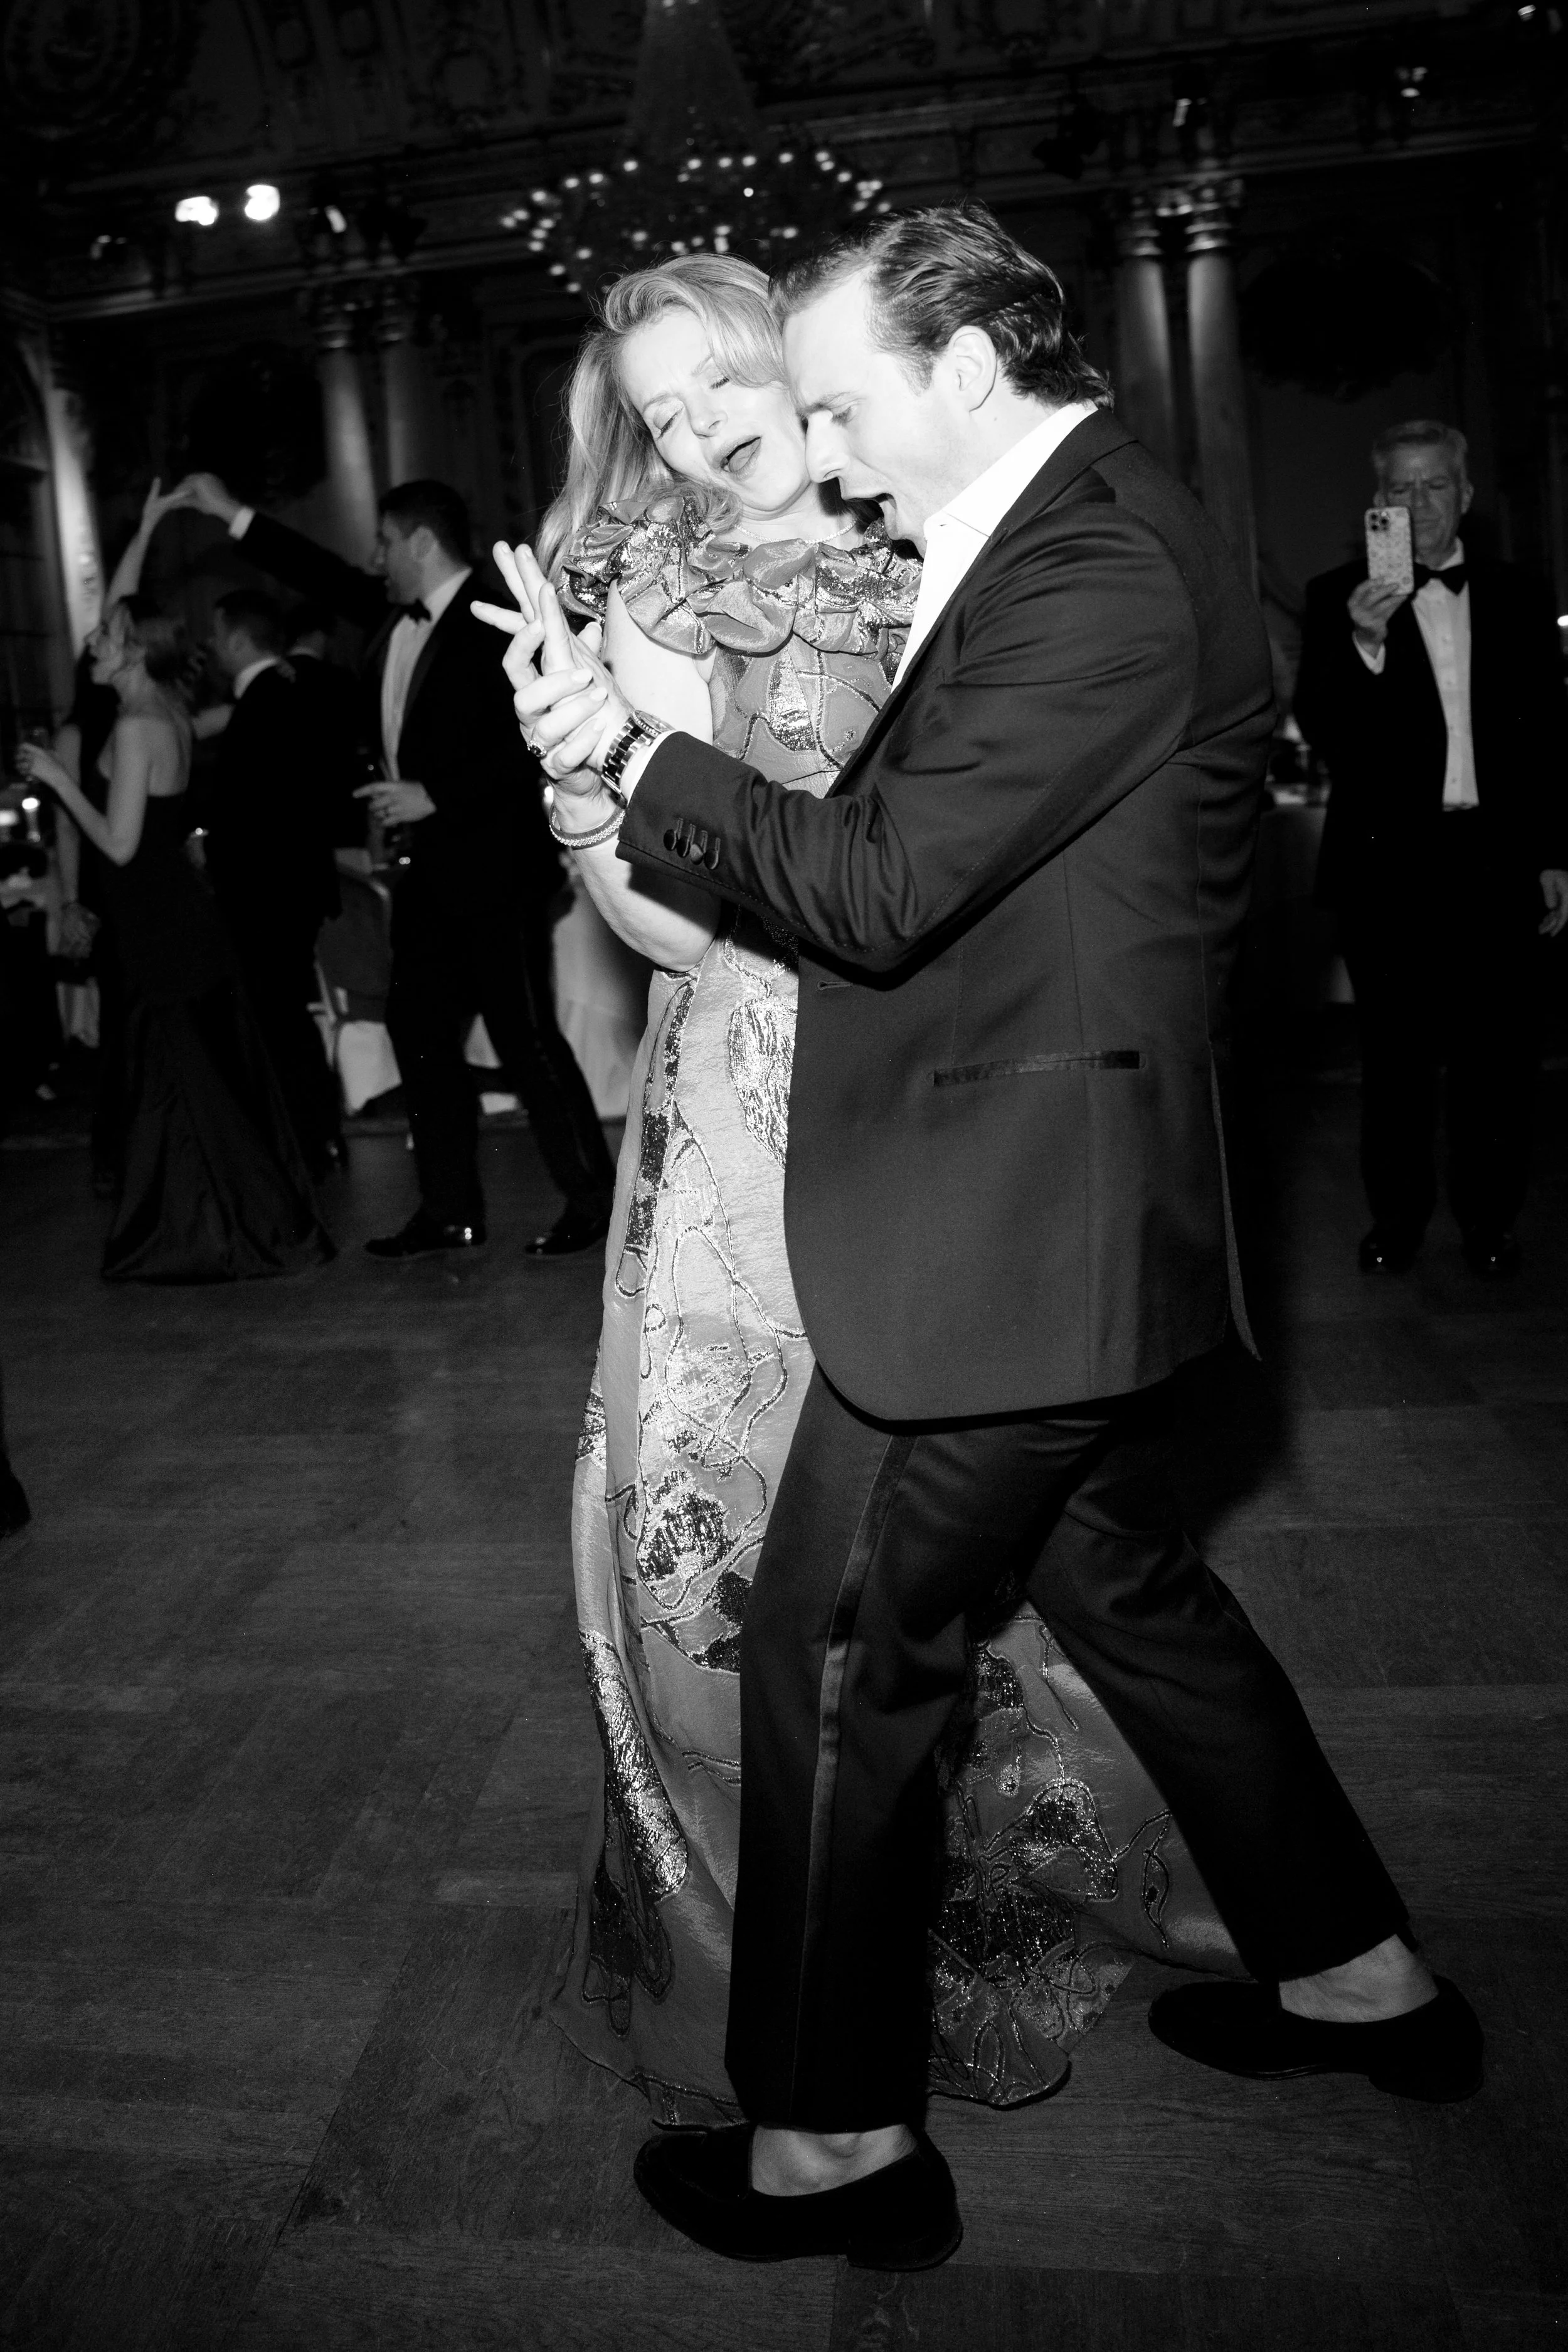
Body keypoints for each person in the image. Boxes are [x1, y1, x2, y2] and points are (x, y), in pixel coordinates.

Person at [497, 204, 1483, 2272]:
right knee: (1123, 1586)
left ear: (959, 371)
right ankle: (1355, 1972)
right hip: (1058, 1223)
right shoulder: (1072, 533)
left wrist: (624, 750)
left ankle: (836, 2144)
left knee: (833, 1653)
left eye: (830, 398)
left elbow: (872, 889)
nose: (815, 445)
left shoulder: (1100, 559)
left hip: (1015, 1239)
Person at [477, 252, 1239, 2143]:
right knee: (740, 1551)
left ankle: (890, 2030)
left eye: (729, 378)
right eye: (656, 413)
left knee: (979, 1563)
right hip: (756, 1100)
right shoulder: (661, 587)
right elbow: (671, 930)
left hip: (972, 1106)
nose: (710, 426)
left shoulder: (967, 542)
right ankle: (788, 1992)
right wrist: (589, 788)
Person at [171, 470, 617, 1259]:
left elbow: (537, 746)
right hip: (427, 877)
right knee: (419, 1035)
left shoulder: (498, 616)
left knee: (527, 1039)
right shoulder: (391, 620)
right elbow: (321, 573)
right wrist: (233, 512)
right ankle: (449, 1211)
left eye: (383, 541)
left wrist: (433, 794)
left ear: (419, 540)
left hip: (496, 871)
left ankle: (598, 1202)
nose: (374, 558)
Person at [1295, 420, 1568, 1278]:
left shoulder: (1522, 596)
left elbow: (1549, 740)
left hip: (1497, 862)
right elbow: (1330, 732)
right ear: (1379, 504)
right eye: (1401, 490)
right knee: (1397, 1061)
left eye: (1435, 485)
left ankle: (1490, 1220)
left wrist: (1556, 852)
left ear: (1467, 495)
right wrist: (1366, 642)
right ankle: (1396, 1220)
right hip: (1390, 868)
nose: (1419, 503)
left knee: (1500, 1061)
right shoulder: (1336, 596)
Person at [18, 594, 334, 1283]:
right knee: (185, 1088)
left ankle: (243, 1233)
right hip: (171, 918)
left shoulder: (138, 724)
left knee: (194, 1090)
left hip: (163, 925)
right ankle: (193, 1233)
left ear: (136, 649)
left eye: (108, 634)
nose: (93, 642)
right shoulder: (164, 713)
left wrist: (57, 780)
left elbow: (120, 843)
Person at [201, 587, 346, 1179]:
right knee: (286, 1017)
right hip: (291, 890)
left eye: (214, 635)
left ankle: (308, 1143)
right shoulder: (283, 691)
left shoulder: (262, 702)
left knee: (279, 1019)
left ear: (237, 639)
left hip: (266, 896)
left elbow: (255, 815)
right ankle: (316, 1139)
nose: (209, 647)